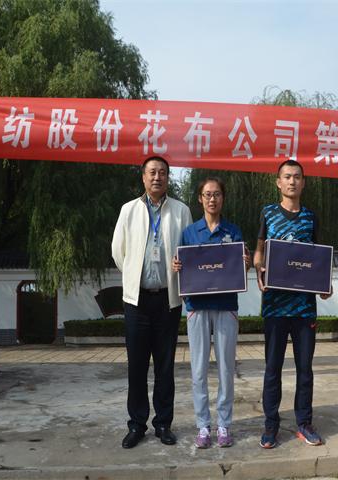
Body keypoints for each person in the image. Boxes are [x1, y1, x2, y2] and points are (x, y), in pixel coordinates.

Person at [111, 156, 192, 449]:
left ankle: (163, 424)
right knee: (136, 367)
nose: (157, 177)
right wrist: (135, 275)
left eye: (162, 173)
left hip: (168, 301)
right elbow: (118, 252)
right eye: (152, 172)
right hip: (137, 302)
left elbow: (190, 251)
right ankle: (136, 425)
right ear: (143, 177)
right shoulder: (129, 210)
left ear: (168, 178)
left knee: (165, 367)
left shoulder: (181, 211)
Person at [253, 159, 332, 449]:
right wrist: (259, 269)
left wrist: (325, 284)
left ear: (303, 182)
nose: (292, 181)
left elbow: (319, 258)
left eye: (297, 177)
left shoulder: (311, 217)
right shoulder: (268, 213)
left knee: (305, 370)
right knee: (272, 368)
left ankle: (304, 423)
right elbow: (259, 252)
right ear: (278, 182)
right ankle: (270, 425)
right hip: (275, 306)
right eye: (287, 177)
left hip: (304, 309)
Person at [172, 177, 249, 449]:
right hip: (197, 306)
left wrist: (245, 264)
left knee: (227, 369)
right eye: (207, 194)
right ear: (200, 199)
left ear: (223, 198)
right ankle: (203, 425)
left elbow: (239, 268)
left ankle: (224, 424)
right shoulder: (189, 233)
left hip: (226, 306)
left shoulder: (233, 231)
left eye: (216, 194)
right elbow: (182, 266)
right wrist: (177, 266)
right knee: (199, 370)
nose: (212, 199)